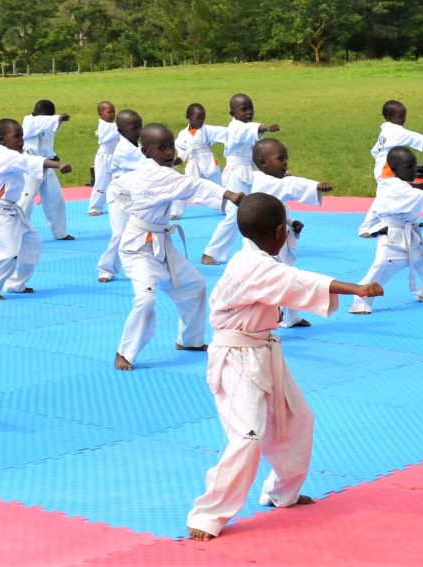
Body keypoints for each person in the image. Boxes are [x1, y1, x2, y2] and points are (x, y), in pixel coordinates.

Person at [186, 193, 383, 541]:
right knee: (248, 435)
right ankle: (208, 513)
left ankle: (282, 492)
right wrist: (358, 288)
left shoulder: (255, 259)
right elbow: (301, 282)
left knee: (298, 418)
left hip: (262, 350)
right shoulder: (255, 267)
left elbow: (293, 280)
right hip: (236, 359)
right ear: (280, 232)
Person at [109, 124, 242, 371]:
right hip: (138, 249)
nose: (169, 152)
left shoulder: (145, 172)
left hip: (161, 242)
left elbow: (117, 188)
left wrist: (131, 208)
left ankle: (190, 340)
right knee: (146, 298)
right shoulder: (158, 176)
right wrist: (229, 194)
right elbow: (197, 186)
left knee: (193, 285)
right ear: (146, 152)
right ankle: (124, 353)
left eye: (170, 145)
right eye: (161, 148)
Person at [350, 146, 423, 315]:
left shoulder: (394, 186)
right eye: (409, 167)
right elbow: (419, 198)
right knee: (380, 269)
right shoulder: (395, 187)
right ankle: (360, 301)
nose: (414, 170)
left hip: (413, 235)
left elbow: (377, 206)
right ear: (394, 170)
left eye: (414, 166)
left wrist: (366, 226)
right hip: (393, 238)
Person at [0, 118, 71, 300]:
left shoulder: (13, 155)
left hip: (11, 210)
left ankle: (15, 284)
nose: (21, 140)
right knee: (9, 253)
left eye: (22, 136)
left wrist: (50, 159)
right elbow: (29, 161)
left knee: (33, 240)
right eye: (16, 137)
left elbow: (29, 160)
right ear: (2, 140)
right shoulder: (5, 157)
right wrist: (57, 165)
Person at [250, 138, 331, 327]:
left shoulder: (272, 182)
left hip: (278, 240)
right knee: (269, 281)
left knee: (290, 276)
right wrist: (315, 186)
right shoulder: (265, 182)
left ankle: (290, 317)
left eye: (286, 158)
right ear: (263, 163)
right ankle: (259, 319)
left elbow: (280, 208)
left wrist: (291, 222)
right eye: (280, 159)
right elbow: (290, 185)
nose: (285, 163)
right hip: (264, 244)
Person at [201, 94, 281, 265]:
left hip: (249, 172)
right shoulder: (235, 127)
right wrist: (265, 127)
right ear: (233, 112)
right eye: (243, 109)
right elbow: (249, 130)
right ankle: (210, 253)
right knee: (234, 214)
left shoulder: (248, 127)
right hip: (235, 174)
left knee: (260, 209)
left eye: (251, 108)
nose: (249, 112)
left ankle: (264, 247)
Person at [358, 100, 423, 237]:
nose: (403, 120)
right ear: (389, 117)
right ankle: (366, 228)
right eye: (400, 117)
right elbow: (410, 135)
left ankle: (410, 221)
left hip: (391, 166)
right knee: (383, 197)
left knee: (404, 193)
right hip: (387, 169)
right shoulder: (394, 130)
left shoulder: (386, 130)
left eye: (404, 116)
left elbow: (374, 151)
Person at [96, 109, 145, 283]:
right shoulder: (125, 149)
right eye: (134, 128)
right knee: (119, 234)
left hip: (136, 196)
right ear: (121, 131)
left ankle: (154, 266)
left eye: (140, 126)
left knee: (151, 230)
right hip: (120, 198)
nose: (138, 131)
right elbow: (149, 163)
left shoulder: (136, 146)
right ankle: (106, 268)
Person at [19, 99, 74, 240]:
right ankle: (18, 233)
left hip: (47, 164)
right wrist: (58, 118)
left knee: (55, 198)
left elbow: (46, 144)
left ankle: (60, 232)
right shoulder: (29, 121)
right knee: (26, 200)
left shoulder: (46, 124)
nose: (50, 120)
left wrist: (53, 156)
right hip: (31, 165)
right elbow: (42, 122)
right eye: (48, 117)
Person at [171, 103, 226, 220]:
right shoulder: (182, 134)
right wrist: (178, 160)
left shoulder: (207, 130)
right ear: (188, 117)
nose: (201, 121)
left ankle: (228, 207)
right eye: (198, 118)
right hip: (192, 164)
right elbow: (181, 151)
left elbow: (225, 132)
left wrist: (239, 130)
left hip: (208, 163)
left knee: (219, 187)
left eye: (203, 118)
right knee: (186, 187)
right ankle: (176, 212)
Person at [87, 100, 118, 217]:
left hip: (117, 158)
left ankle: (120, 205)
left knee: (121, 182)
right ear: (100, 114)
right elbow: (118, 129)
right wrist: (127, 124)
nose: (112, 114)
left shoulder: (116, 126)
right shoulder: (103, 126)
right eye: (109, 112)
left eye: (114, 111)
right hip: (104, 158)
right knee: (101, 182)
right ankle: (95, 207)